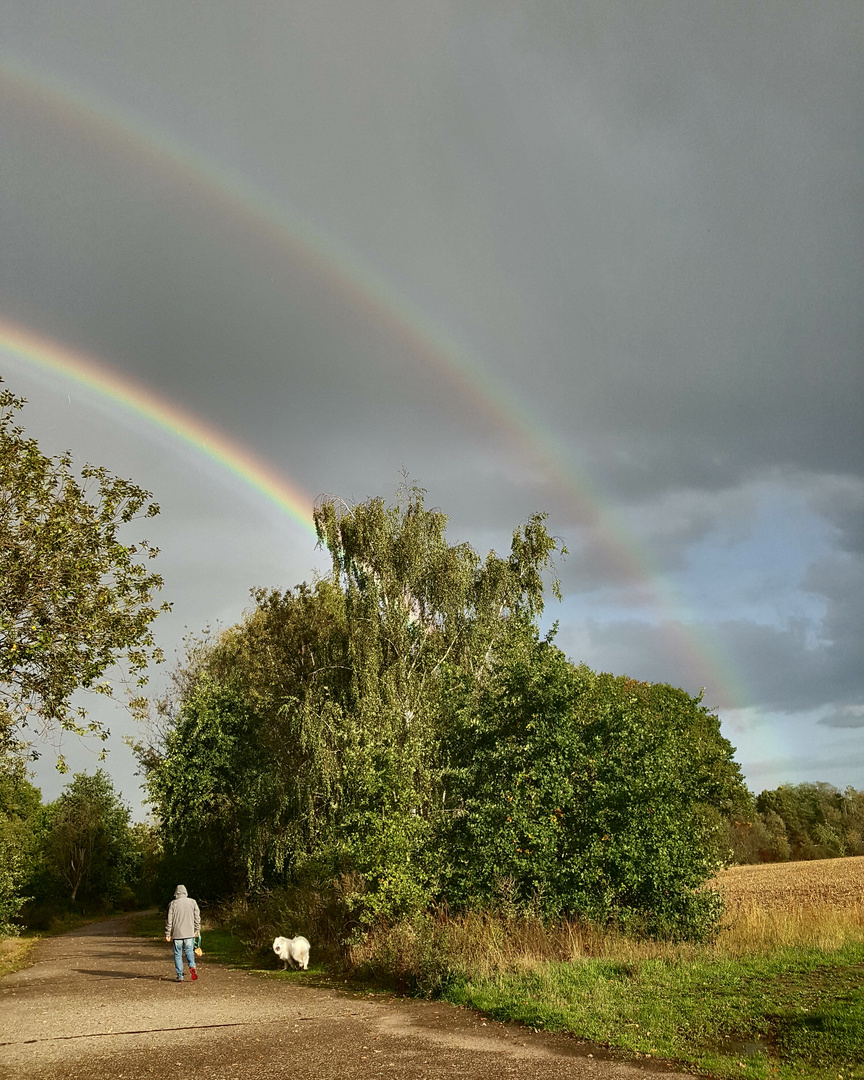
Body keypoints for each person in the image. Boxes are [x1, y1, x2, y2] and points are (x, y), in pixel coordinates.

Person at [165, 884, 201, 982]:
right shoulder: (192, 902)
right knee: (189, 951)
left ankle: (180, 976)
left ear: (176, 893)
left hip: (177, 934)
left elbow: (169, 920)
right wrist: (197, 930)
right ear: (186, 892)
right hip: (189, 933)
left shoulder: (173, 904)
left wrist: (168, 933)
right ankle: (192, 966)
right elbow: (197, 917)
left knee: (177, 954)